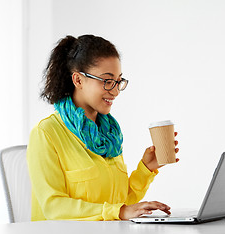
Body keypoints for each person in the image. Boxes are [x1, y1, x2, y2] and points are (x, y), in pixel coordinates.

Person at [27, 34, 179, 221]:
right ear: (78, 80)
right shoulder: (46, 134)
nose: (115, 91)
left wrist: (147, 168)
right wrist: (118, 212)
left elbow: (118, 203)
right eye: (107, 81)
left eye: (118, 81)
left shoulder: (109, 134)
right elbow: (53, 207)